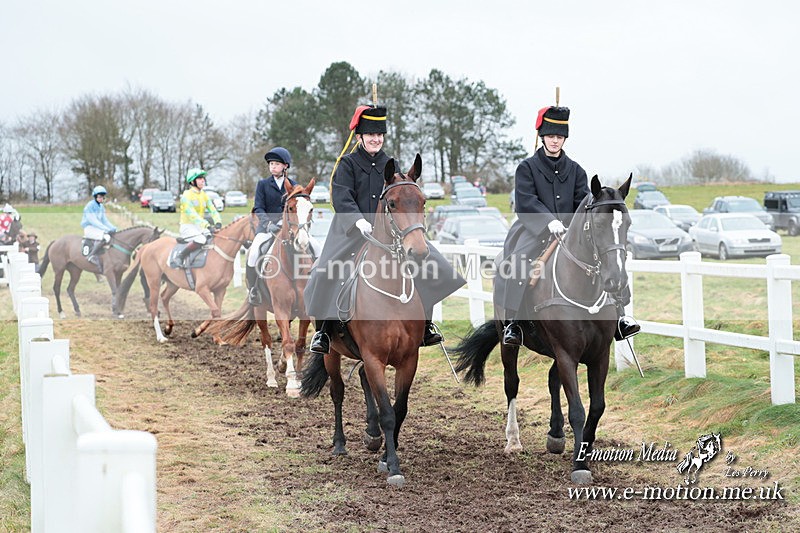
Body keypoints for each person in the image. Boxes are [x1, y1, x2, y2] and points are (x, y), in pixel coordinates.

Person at [305, 104, 465, 355]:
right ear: (360, 136)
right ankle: (323, 331)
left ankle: (425, 325)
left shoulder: (391, 163)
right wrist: (358, 220)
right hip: (351, 231)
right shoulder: (347, 163)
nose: (376, 139)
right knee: (325, 271)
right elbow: (341, 196)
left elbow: (400, 193)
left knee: (431, 264)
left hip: (390, 231)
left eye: (379, 135)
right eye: (371, 135)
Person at [495, 106, 639, 346]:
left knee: (608, 260)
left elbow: (583, 203)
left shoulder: (576, 170)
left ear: (564, 139)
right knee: (517, 263)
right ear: (543, 137)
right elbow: (526, 201)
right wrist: (548, 221)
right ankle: (513, 323)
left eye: (559, 137)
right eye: (551, 136)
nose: (554, 141)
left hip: (570, 230)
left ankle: (621, 318)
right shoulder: (527, 168)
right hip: (534, 229)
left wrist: (571, 225)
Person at [245, 147, 298, 305]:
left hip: (289, 229)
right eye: (271, 164)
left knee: (314, 247)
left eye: (276, 164)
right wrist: (268, 224)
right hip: (267, 228)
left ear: (285, 166)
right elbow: (258, 208)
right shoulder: (263, 184)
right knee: (254, 252)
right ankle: (253, 289)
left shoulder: (294, 185)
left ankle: (313, 285)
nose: (273, 167)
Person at [177, 168, 221, 265]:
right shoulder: (186, 195)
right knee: (201, 239)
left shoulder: (204, 195)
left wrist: (218, 222)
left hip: (199, 227)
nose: (203, 180)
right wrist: (207, 226)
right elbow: (192, 215)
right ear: (192, 182)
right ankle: (180, 256)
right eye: (199, 178)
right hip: (187, 226)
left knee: (212, 238)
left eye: (203, 178)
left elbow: (213, 210)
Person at [80, 186, 117, 270]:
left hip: (97, 228)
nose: (101, 199)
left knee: (111, 236)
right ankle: (91, 255)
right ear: (95, 197)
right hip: (89, 228)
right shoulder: (89, 206)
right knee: (106, 237)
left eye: (102, 197)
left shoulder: (101, 207)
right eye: (99, 197)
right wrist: (105, 229)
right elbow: (93, 220)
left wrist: (113, 228)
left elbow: (105, 220)